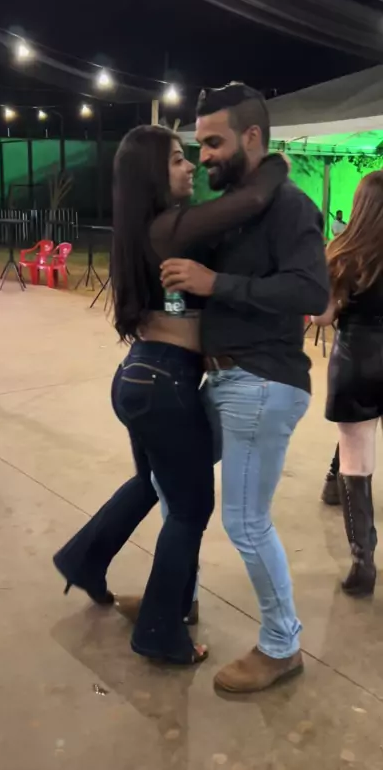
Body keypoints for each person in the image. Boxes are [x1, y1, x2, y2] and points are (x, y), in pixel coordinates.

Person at [53, 124, 289, 665]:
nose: (190, 167)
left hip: (138, 376)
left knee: (151, 483)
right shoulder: (171, 226)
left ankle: (85, 559)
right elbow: (250, 201)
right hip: (165, 383)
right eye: (179, 159)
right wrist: (272, 166)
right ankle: (159, 631)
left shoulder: (141, 229)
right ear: (152, 174)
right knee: (190, 508)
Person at [161, 83, 329, 692]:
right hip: (226, 378)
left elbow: (312, 291)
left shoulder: (289, 206)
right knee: (170, 482)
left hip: (263, 380)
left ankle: (283, 645)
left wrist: (217, 283)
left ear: (252, 137)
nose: (203, 155)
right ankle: (174, 598)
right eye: (198, 144)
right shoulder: (233, 207)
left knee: (245, 521)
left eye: (214, 142)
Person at [313, 171, 383, 597]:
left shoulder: (340, 252)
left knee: (356, 461)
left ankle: (363, 563)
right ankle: (330, 483)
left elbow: (322, 316)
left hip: (356, 360)